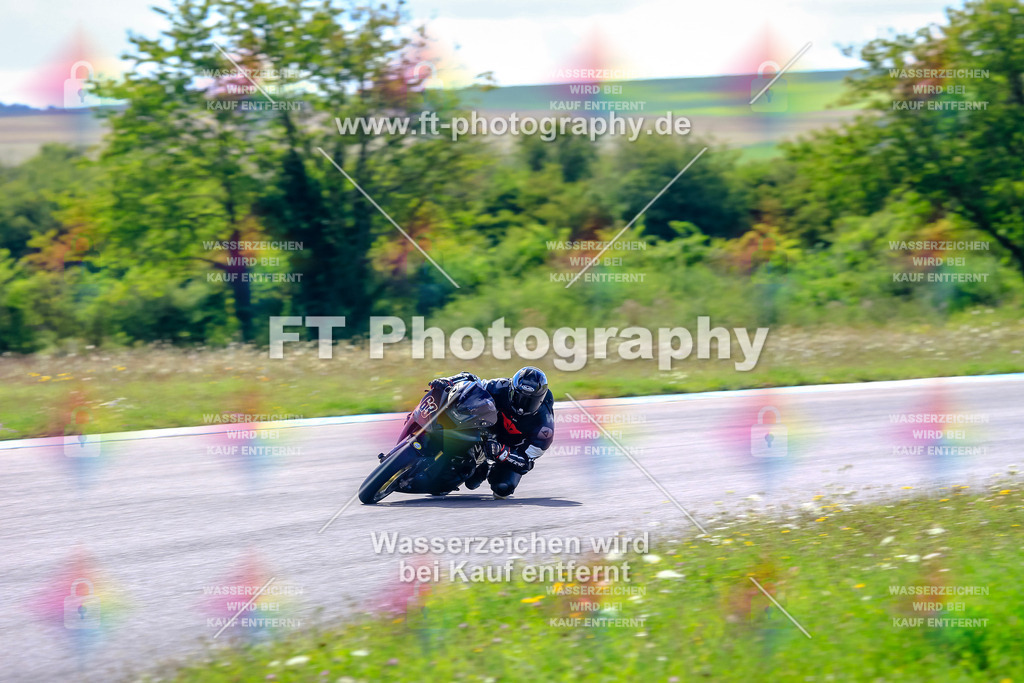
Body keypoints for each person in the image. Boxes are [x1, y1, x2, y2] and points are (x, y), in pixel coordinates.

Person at [427, 367, 554, 499]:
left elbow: (526, 463)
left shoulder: (545, 428)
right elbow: (473, 380)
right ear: (512, 390)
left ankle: (485, 467)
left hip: (511, 448)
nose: (521, 406)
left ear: (540, 400)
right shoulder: (501, 387)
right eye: (518, 397)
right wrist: (449, 381)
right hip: (488, 429)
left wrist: (502, 452)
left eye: (529, 401)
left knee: (502, 488)